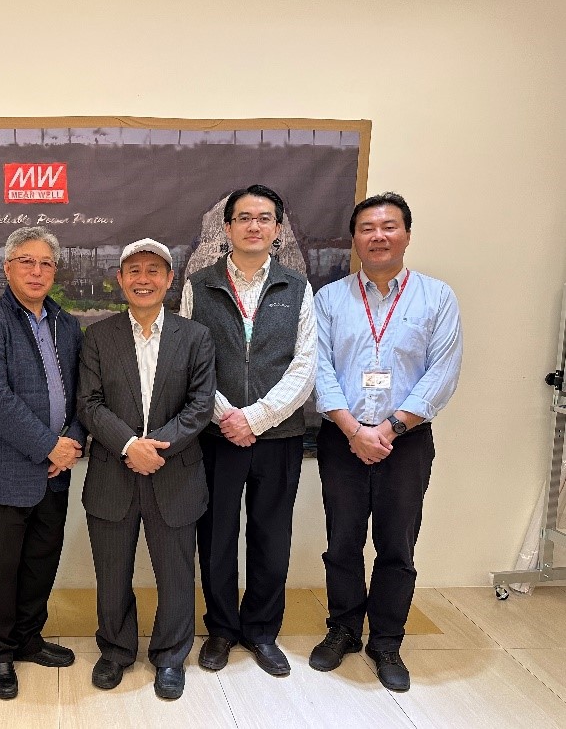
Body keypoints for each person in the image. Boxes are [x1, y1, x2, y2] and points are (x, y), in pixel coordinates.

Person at [309, 192, 462, 692]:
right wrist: (355, 431)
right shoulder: (329, 299)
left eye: (389, 227)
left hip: (408, 441)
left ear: (407, 235)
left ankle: (387, 641)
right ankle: (343, 629)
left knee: (397, 544)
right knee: (343, 541)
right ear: (354, 239)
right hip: (343, 438)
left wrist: (391, 427)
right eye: (367, 228)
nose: (378, 236)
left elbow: (442, 372)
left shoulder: (436, 297)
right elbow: (320, 369)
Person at [180, 184, 317, 677]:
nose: (253, 226)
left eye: (263, 218)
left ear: (277, 229)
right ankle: (220, 629)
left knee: (271, 538)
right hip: (217, 438)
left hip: (278, 438)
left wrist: (256, 417)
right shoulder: (199, 284)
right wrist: (227, 417)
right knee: (216, 537)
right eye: (243, 217)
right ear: (228, 227)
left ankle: (261, 631)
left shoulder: (297, 287)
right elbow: (189, 360)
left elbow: (305, 365)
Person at [77, 238, 215, 700]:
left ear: (170, 280)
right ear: (120, 280)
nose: (143, 279)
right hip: (112, 474)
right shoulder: (98, 336)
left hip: (174, 474)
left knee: (175, 573)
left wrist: (155, 448)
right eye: (133, 270)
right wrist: (129, 446)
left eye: (153, 270)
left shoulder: (195, 337)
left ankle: (171, 655)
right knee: (112, 572)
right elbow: (88, 403)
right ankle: (116, 650)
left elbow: (200, 406)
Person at [0, 226, 85, 700]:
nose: (37, 271)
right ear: (7, 267)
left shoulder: (67, 325)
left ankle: (29, 639)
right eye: (26, 262)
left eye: (46, 263)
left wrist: (72, 441)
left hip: (55, 472)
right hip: (3, 472)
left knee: (39, 563)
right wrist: (48, 445)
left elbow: (84, 393)